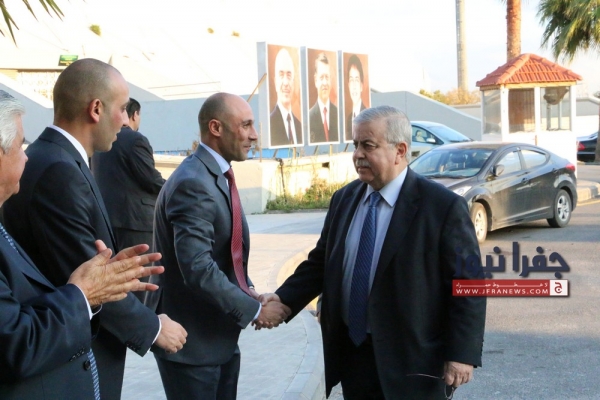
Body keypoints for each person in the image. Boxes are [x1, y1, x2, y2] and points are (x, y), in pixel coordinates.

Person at [262, 106, 486, 399]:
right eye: (355, 144)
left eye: (368, 145)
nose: (357, 154)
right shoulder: (344, 199)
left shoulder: (441, 207)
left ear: (399, 151)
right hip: (353, 354)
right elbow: (321, 263)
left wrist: (461, 353)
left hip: (413, 361)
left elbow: (468, 284)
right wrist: (283, 300)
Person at [2, 59, 187, 400]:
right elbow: (88, 279)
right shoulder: (57, 169)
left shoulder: (61, 159)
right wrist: (153, 328)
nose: (126, 120)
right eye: (122, 108)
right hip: (70, 359)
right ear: (96, 109)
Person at [152, 92, 291, 400]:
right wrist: (255, 311)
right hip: (193, 347)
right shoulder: (193, 182)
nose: (254, 135)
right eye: (246, 125)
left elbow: (224, 254)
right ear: (216, 128)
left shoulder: (214, 174)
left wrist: (248, 292)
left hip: (217, 338)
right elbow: (198, 267)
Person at [91, 97, 165, 303]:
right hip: (136, 223)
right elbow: (151, 180)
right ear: (134, 114)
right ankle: (144, 323)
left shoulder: (100, 142)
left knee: (118, 284)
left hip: (108, 221)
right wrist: (176, 188)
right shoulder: (135, 140)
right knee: (141, 284)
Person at [269, 48, 302, 147]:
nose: (286, 82)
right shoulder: (269, 125)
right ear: (275, 82)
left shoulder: (299, 126)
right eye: (281, 75)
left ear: (293, 82)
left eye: (289, 75)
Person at [309, 52, 339, 143]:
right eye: (321, 77)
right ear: (316, 80)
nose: (325, 83)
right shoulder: (309, 117)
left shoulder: (338, 115)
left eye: (327, 77)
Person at [345, 55, 367, 141]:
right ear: (348, 85)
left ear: (361, 85)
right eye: (351, 80)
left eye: (357, 80)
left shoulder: (367, 116)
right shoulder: (348, 119)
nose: (354, 86)